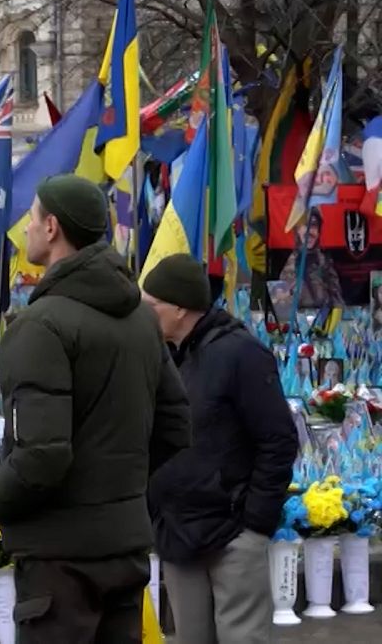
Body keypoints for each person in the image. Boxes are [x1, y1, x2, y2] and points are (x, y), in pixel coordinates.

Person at [0, 175, 191, 643]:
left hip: (60, 561)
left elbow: (41, 454)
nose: (27, 230)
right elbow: (175, 427)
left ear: (52, 227)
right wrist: (116, 492)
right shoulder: (140, 318)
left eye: (32, 219)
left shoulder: (40, 325)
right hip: (124, 548)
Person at [141, 254, 298, 644]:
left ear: (179, 308)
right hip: (177, 531)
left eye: (149, 306)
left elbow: (278, 440)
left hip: (232, 534)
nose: (141, 315)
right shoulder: (162, 359)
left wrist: (255, 523)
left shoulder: (240, 354)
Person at [278, 209, 344, 309]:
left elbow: (336, 297)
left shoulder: (324, 260)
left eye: (314, 225)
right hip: (298, 319)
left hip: (323, 317)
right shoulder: (290, 261)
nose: (309, 231)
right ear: (297, 230)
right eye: (305, 225)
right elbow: (281, 303)